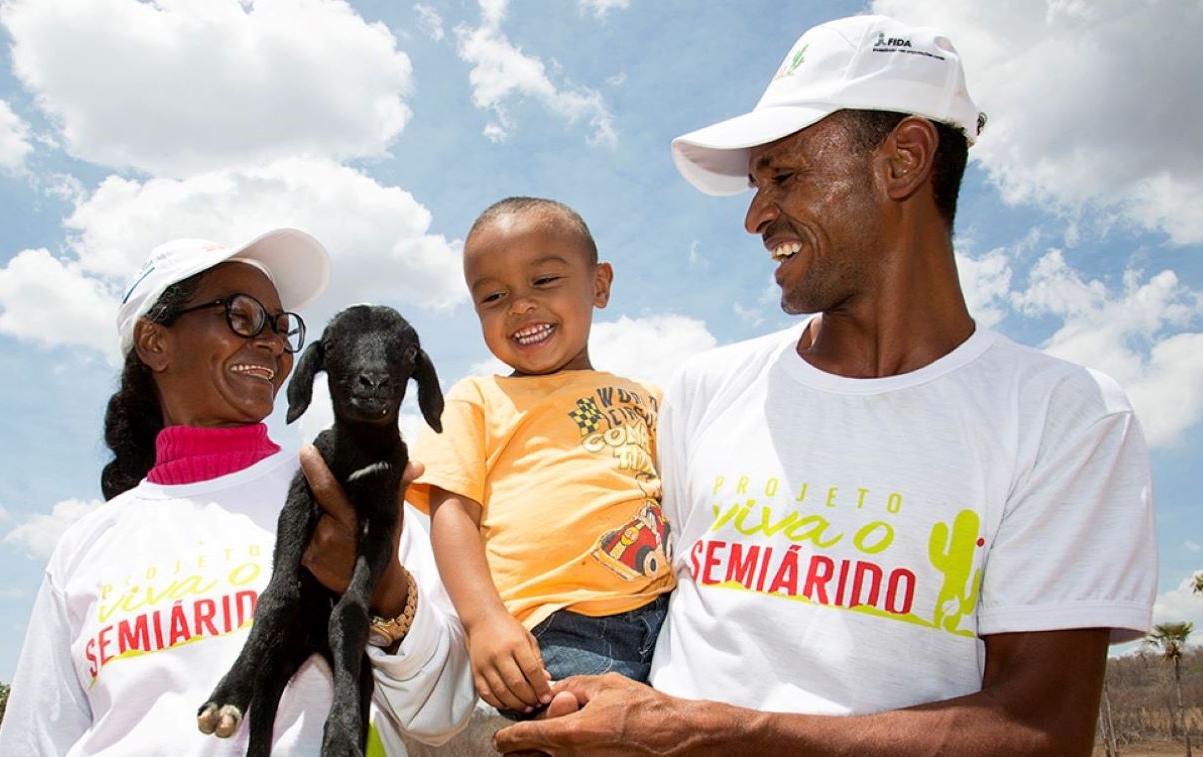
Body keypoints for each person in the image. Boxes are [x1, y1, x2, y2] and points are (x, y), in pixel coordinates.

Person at [496, 15, 1157, 755]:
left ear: (903, 159)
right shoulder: (704, 391)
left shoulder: (1066, 418)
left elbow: (1041, 728)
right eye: (755, 183)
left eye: (784, 175)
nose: (755, 214)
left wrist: (716, 733)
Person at [0, 230, 473, 756]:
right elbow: (34, 741)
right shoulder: (86, 546)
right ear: (156, 342)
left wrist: (382, 589)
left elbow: (443, 711)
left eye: (280, 326)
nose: (271, 343)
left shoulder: (339, 489)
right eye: (241, 316)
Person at [407, 197, 674, 719]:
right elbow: (452, 513)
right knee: (585, 732)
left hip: (672, 615)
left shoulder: (650, 398)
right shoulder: (477, 400)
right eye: (494, 295)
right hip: (559, 629)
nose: (520, 306)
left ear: (599, 284)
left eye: (544, 281)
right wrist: (484, 621)